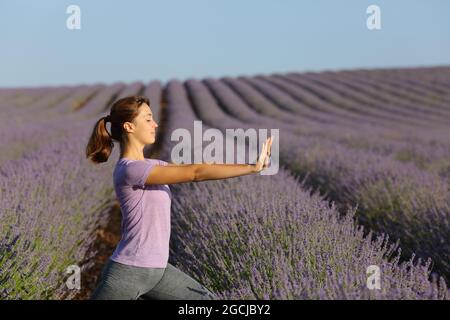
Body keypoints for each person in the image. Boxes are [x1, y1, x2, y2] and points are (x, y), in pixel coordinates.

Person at [85, 95, 273, 300]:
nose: (155, 124)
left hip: (158, 271)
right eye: (148, 119)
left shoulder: (151, 165)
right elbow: (195, 173)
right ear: (129, 127)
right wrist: (251, 168)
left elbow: (192, 167)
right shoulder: (131, 170)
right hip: (129, 271)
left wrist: (249, 163)